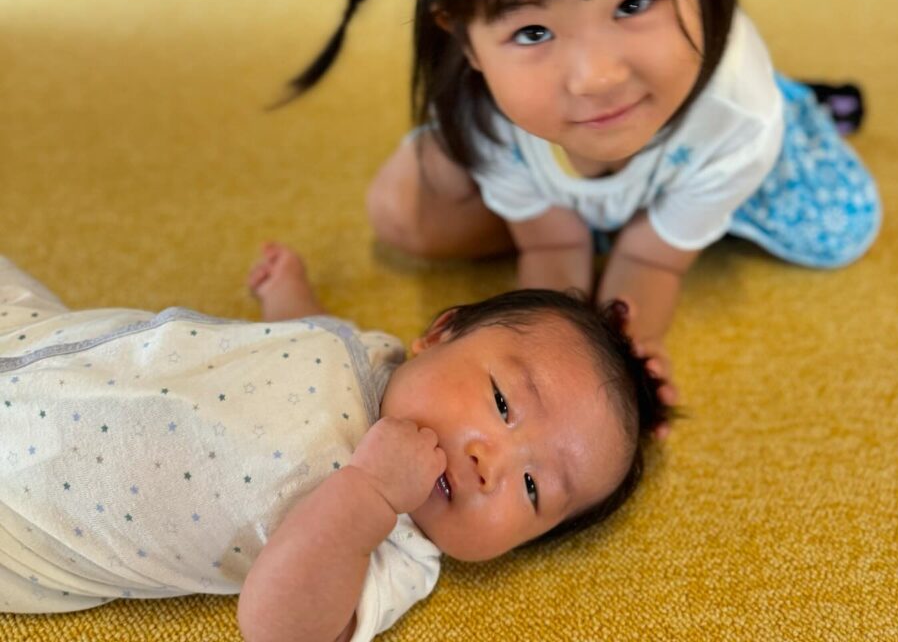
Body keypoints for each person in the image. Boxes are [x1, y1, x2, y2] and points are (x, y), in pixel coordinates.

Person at [280, 0, 881, 394]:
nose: (595, 78)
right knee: (402, 212)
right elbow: (551, 249)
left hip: (706, 131)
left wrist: (622, 363)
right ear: (467, 42)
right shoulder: (489, 114)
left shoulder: (738, 114)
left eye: (633, 3)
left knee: (839, 231)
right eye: (533, 32)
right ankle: (612, 198)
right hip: (578, 166)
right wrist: (550, 365)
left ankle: (800, 105)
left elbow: (651, 260)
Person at [0, 246, 669, 642]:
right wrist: (287, 291)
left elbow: (279, 625)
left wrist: (368, 497)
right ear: (439, 335)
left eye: (532, 489)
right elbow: (307, 331)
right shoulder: (369, 354)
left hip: (28, 519)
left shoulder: (396, 553)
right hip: (48, 344)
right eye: (500, 402)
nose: (490, 463)